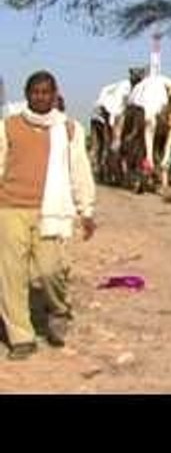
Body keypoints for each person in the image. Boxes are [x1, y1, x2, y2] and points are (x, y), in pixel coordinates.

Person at [0, 71, 96, 360]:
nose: (40, 97)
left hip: (51, 211)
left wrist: (86, 210)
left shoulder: (69, 129)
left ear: (55, 95)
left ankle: (59, 309)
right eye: (35, 92)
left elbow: (80, 170)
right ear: (27, 94)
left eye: (46, 92)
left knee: (50, 269)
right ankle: (21, 337)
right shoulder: (8, 126)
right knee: (11, 275)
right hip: (10, 208)